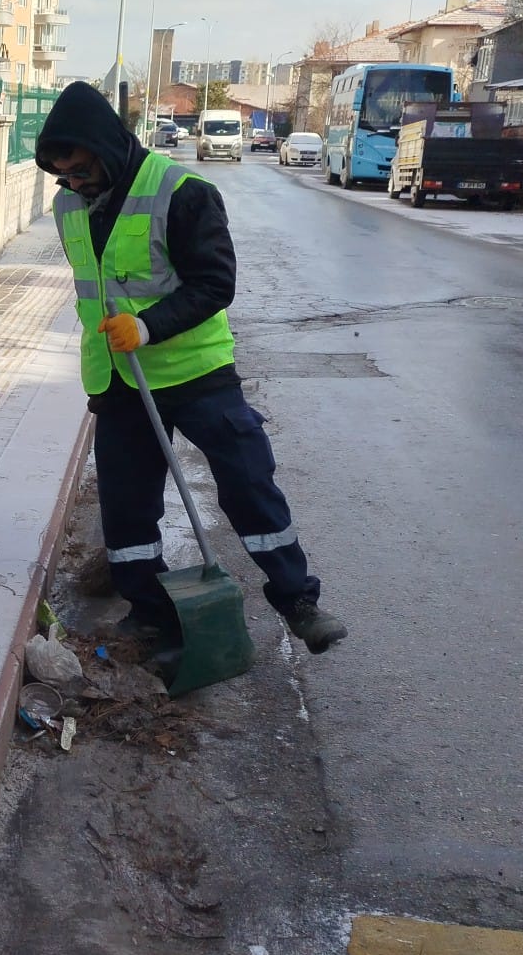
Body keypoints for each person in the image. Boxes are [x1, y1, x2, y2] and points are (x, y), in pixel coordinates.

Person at [34, 82, 349, 655]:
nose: (74, 184)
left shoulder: (182, 192)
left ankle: (298, 600)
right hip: (119, 376)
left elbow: (214, 283)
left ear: (109, 148)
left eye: (81, 170)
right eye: (64, 176)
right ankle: (151, 612)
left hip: (195, 370)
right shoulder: (67, 206)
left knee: (248, 479)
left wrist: (149, 326)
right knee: (127, 503)